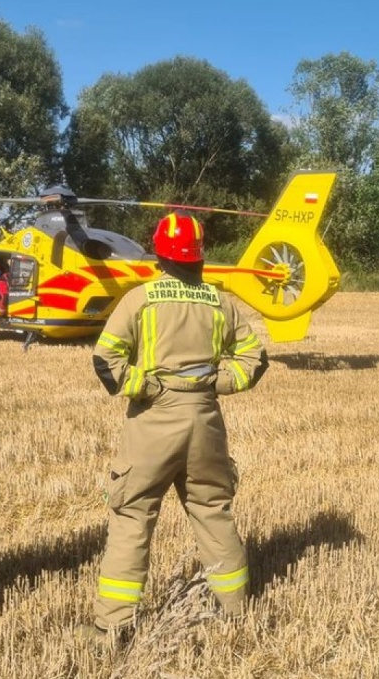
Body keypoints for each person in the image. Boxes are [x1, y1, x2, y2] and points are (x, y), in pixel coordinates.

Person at [82, 212, 268, 645]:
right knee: (212, 511)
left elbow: (105, 361)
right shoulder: (220, 302)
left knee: (132, 517)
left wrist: (143, 386)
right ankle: (235, 610)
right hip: (205, 419)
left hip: (153, 422)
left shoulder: (139, 299)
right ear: (200, 257)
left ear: (159, 256)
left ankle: (112, 628)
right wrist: (218, 383)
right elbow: (255, 360)